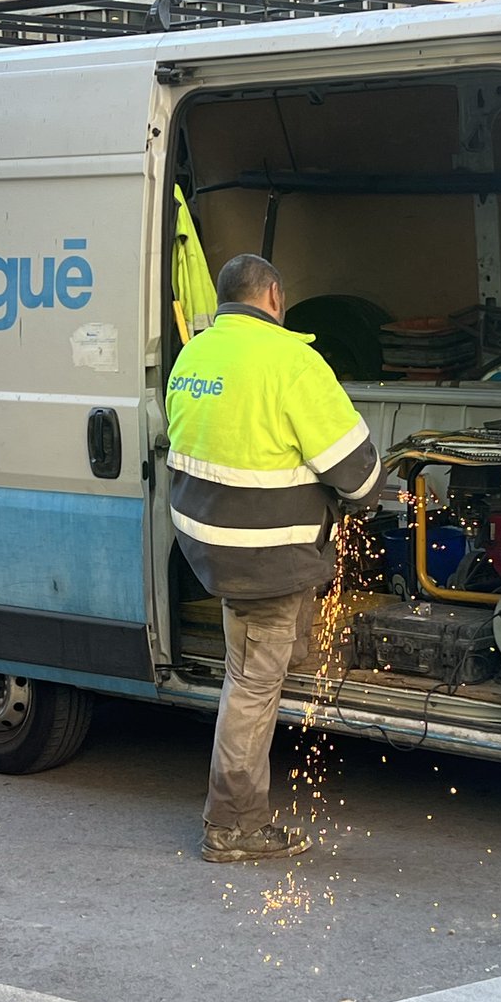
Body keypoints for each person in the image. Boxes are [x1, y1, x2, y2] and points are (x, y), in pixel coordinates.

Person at [166, 254, 383, 863]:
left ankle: (237, 814)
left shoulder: (196, 353)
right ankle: (232, 826)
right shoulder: (292, 361)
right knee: (253, 686)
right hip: (265, 557)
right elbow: (357, 473)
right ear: (275, 296)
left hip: (209, 547)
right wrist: (369, 497)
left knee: (255, 666)